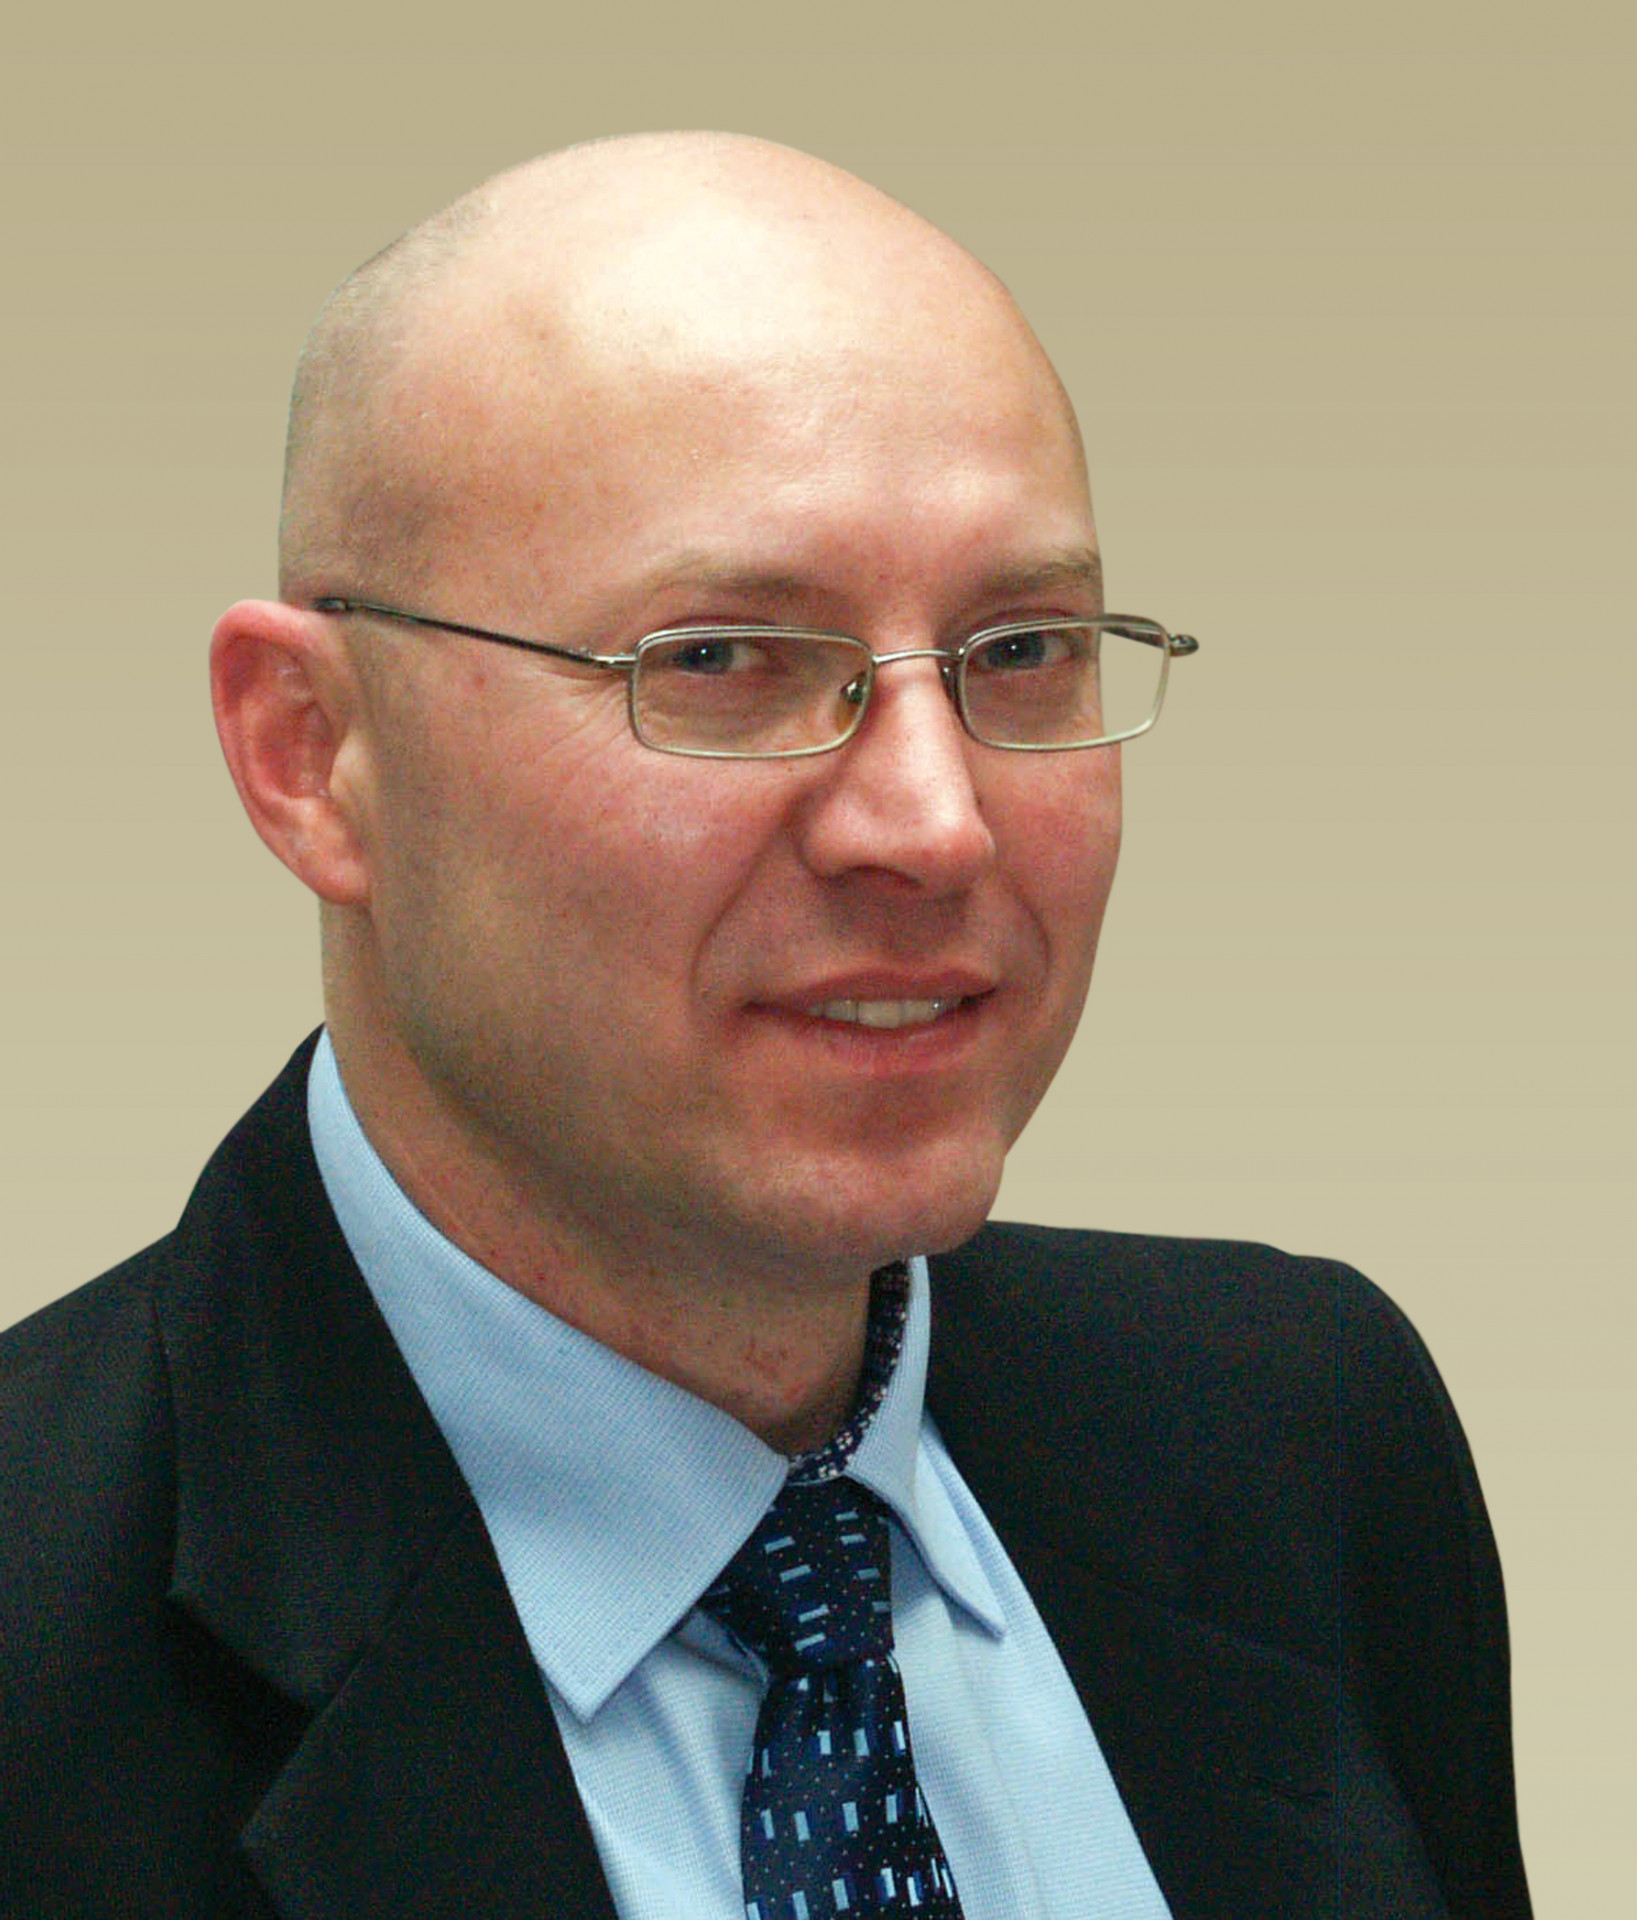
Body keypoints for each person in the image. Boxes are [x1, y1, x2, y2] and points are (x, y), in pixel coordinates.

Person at [0, 133, 1530, 1919]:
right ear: (311, 754)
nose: (934, 824)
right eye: (720, 661)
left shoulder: (1301, 1433)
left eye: (1020, 651)